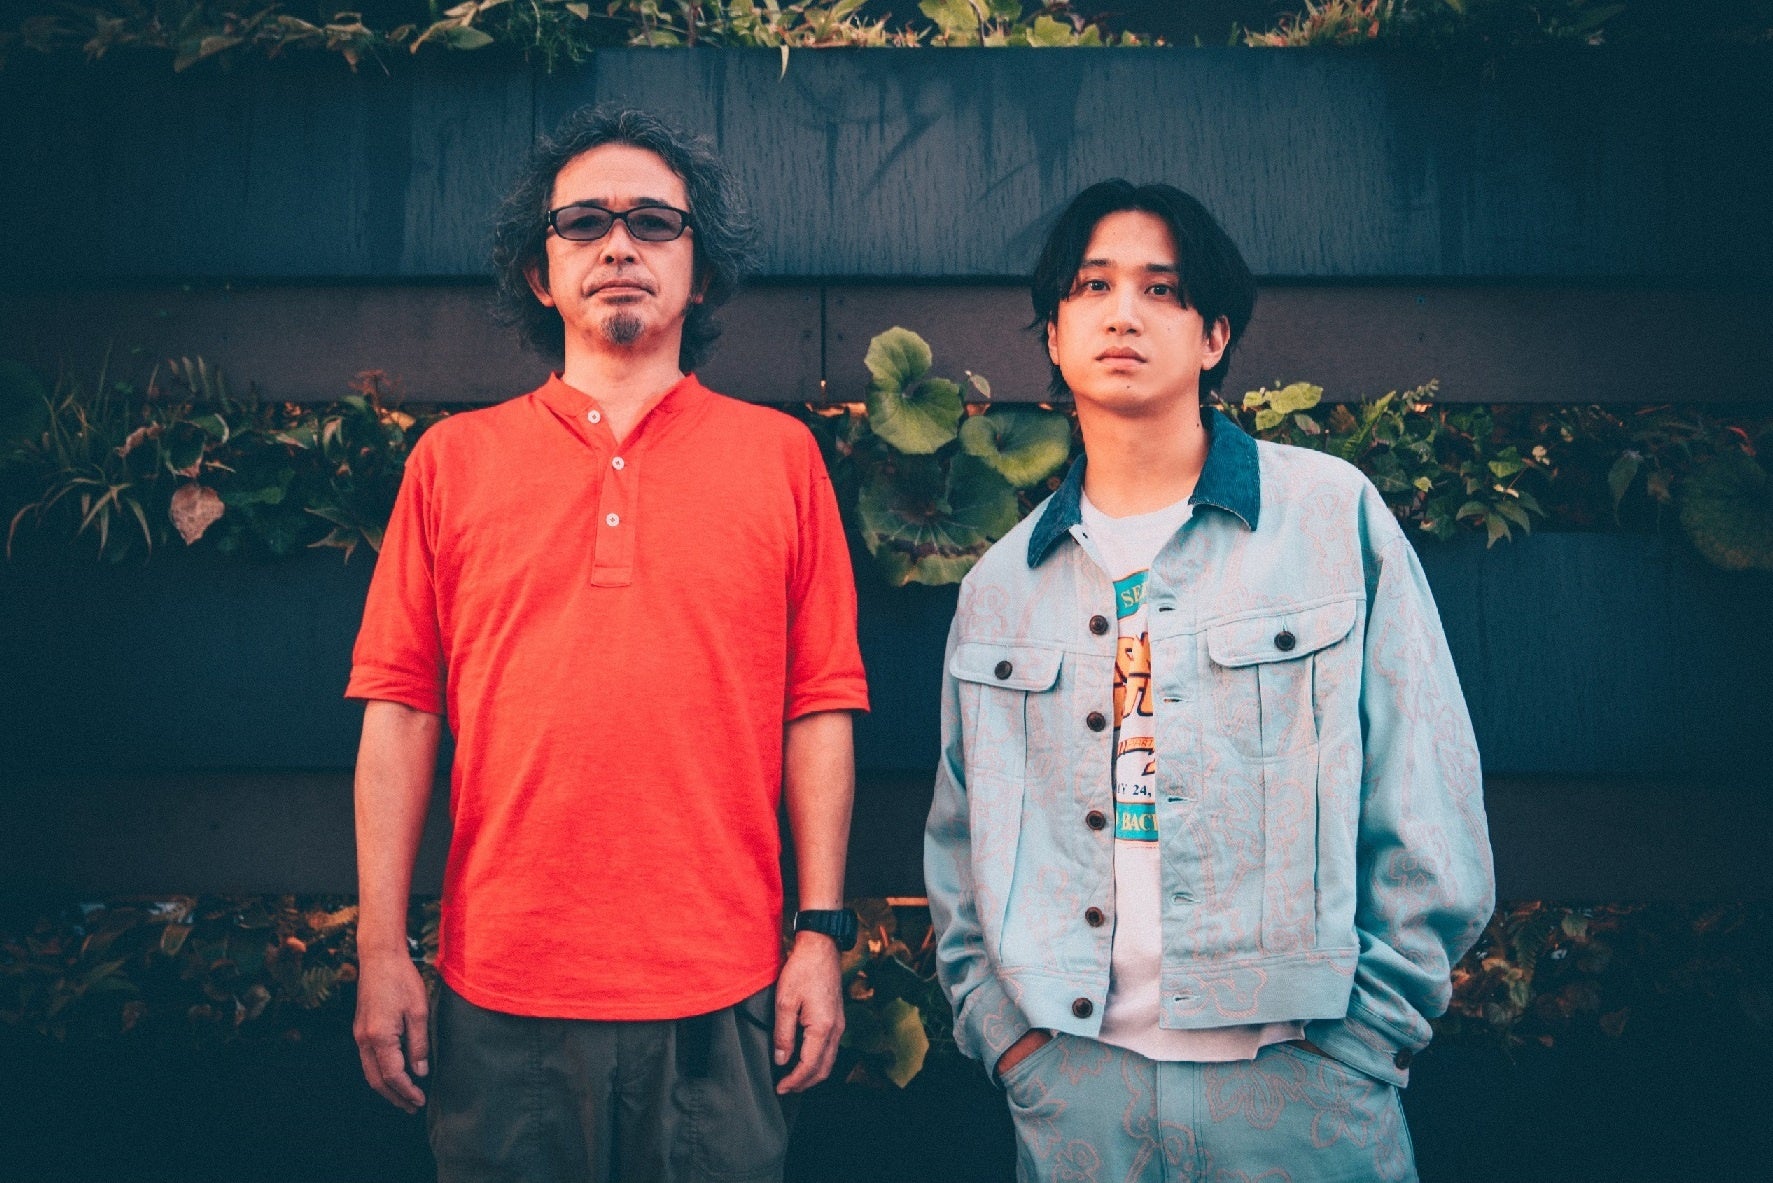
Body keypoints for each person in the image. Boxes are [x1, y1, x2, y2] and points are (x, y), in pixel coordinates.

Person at [924, 179, 1494, 1183]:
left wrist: (1365, 1043)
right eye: (1092, 285)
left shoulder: (1330, 517)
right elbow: (960, 840)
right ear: (1053, 332)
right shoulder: (1000, 586)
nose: (1123, 313)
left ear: (1214, 335)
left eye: (1162, 288)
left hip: (1302, 1084)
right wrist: (1011, 1043)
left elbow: (1428, 795)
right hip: (1076, 1090)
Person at [347, 105, 869, 1183]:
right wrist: (379, 947)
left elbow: (818, 706)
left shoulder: (782, 459)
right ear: (539, 273)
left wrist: (819, 932)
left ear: (700, 271)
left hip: (723, 993)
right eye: (583, 222)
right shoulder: (451, 462)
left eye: (653, 223)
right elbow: (400, 709)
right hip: (501, 996)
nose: (619, 245)